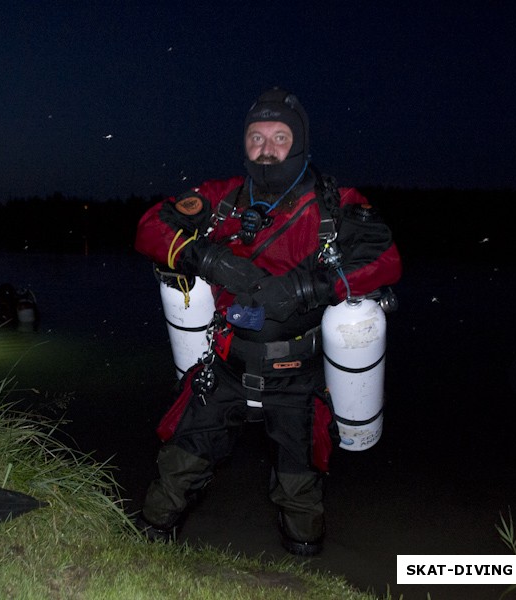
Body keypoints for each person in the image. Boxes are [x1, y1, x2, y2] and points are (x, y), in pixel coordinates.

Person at [133, 87, 402, 555]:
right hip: (226, 364)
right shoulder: (219, 200)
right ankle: (144, 548)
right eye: (256, 137)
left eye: (279, 137)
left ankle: (303, 567)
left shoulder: (334, 204)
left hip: (297, 376)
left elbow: (386, 258)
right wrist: (211, 259)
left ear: (299, 142)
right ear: (244, 143)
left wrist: (306, 288)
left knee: (300, 498)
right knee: (176, 471)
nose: (266, 149)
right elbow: (150, 227)